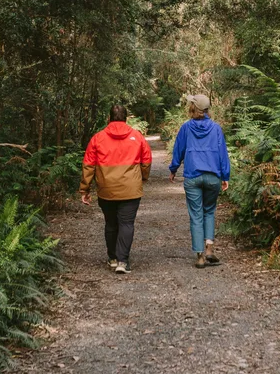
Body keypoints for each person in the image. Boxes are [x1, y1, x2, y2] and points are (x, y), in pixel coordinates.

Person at [79, 104, 152, 275]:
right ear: (126, 119)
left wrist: (85, 189)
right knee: (126, 223)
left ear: (109, 118)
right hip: (130, 189)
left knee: (111, 224)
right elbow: (146, 161)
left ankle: (112, 258)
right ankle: (122, 261)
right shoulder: (137, 136)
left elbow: (88, 165)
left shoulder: (97, 138)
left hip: (106, 189)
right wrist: (143, 177)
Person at [168, 94, 231, 268]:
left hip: (193, 177)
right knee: (209, 212)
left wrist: (173, 169)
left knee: (196, 215)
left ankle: (200, 256)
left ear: (193, 108)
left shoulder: (186, 128)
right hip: (213, 177)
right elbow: (222, 153)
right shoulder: (216, 128)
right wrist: (225, 176)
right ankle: (209, 248)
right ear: (207, 109)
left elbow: (178, 150)